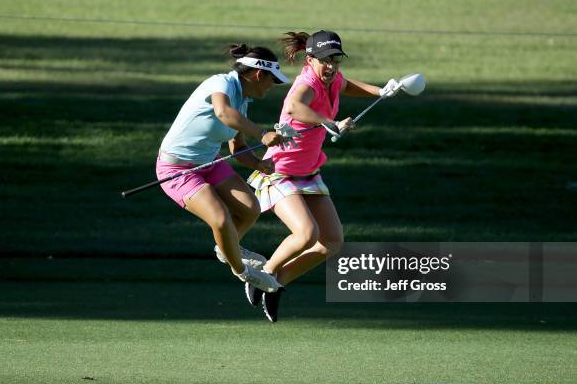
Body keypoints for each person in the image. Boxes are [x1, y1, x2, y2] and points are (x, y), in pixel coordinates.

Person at [247, 30, 402, 321]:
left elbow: (347, 85)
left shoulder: (331, 79)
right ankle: (262, 275)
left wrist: (380, 91)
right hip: (279, 170)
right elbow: (294, 106)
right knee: (306, 234)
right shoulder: (306, 82)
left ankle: (276, 284)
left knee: (332, 241)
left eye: (335, 60)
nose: (331, 67)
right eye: (324, 61)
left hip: (308, 171)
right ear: (310, 59)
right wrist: (328, 122)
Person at [157, 43, 298, 293]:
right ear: (258, 75)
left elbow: (237, 146)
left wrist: (257, 163)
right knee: (221, 219)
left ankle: (226, 249)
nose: (272, 86)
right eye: (271, 80)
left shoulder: (243, 102)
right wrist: (262, 133)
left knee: (250, 208)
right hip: (176, 169)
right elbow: (223, 113)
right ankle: (243, 272)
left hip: (209, 164)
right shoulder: (220, 83)